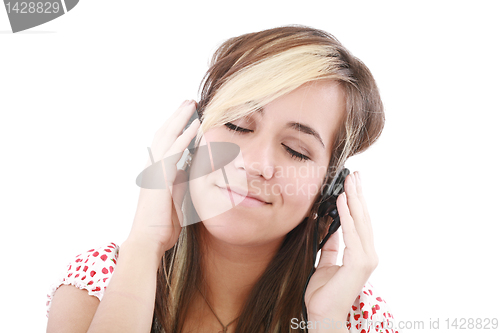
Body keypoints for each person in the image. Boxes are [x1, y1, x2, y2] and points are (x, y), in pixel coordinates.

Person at [46, 25, 397, 333]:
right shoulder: (101, 278)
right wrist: (143, 247)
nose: (255, 163)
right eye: (238, 125)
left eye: (296, 150)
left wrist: (327, 323)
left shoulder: (356, 315)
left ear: (327, 192)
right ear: (190, 139)